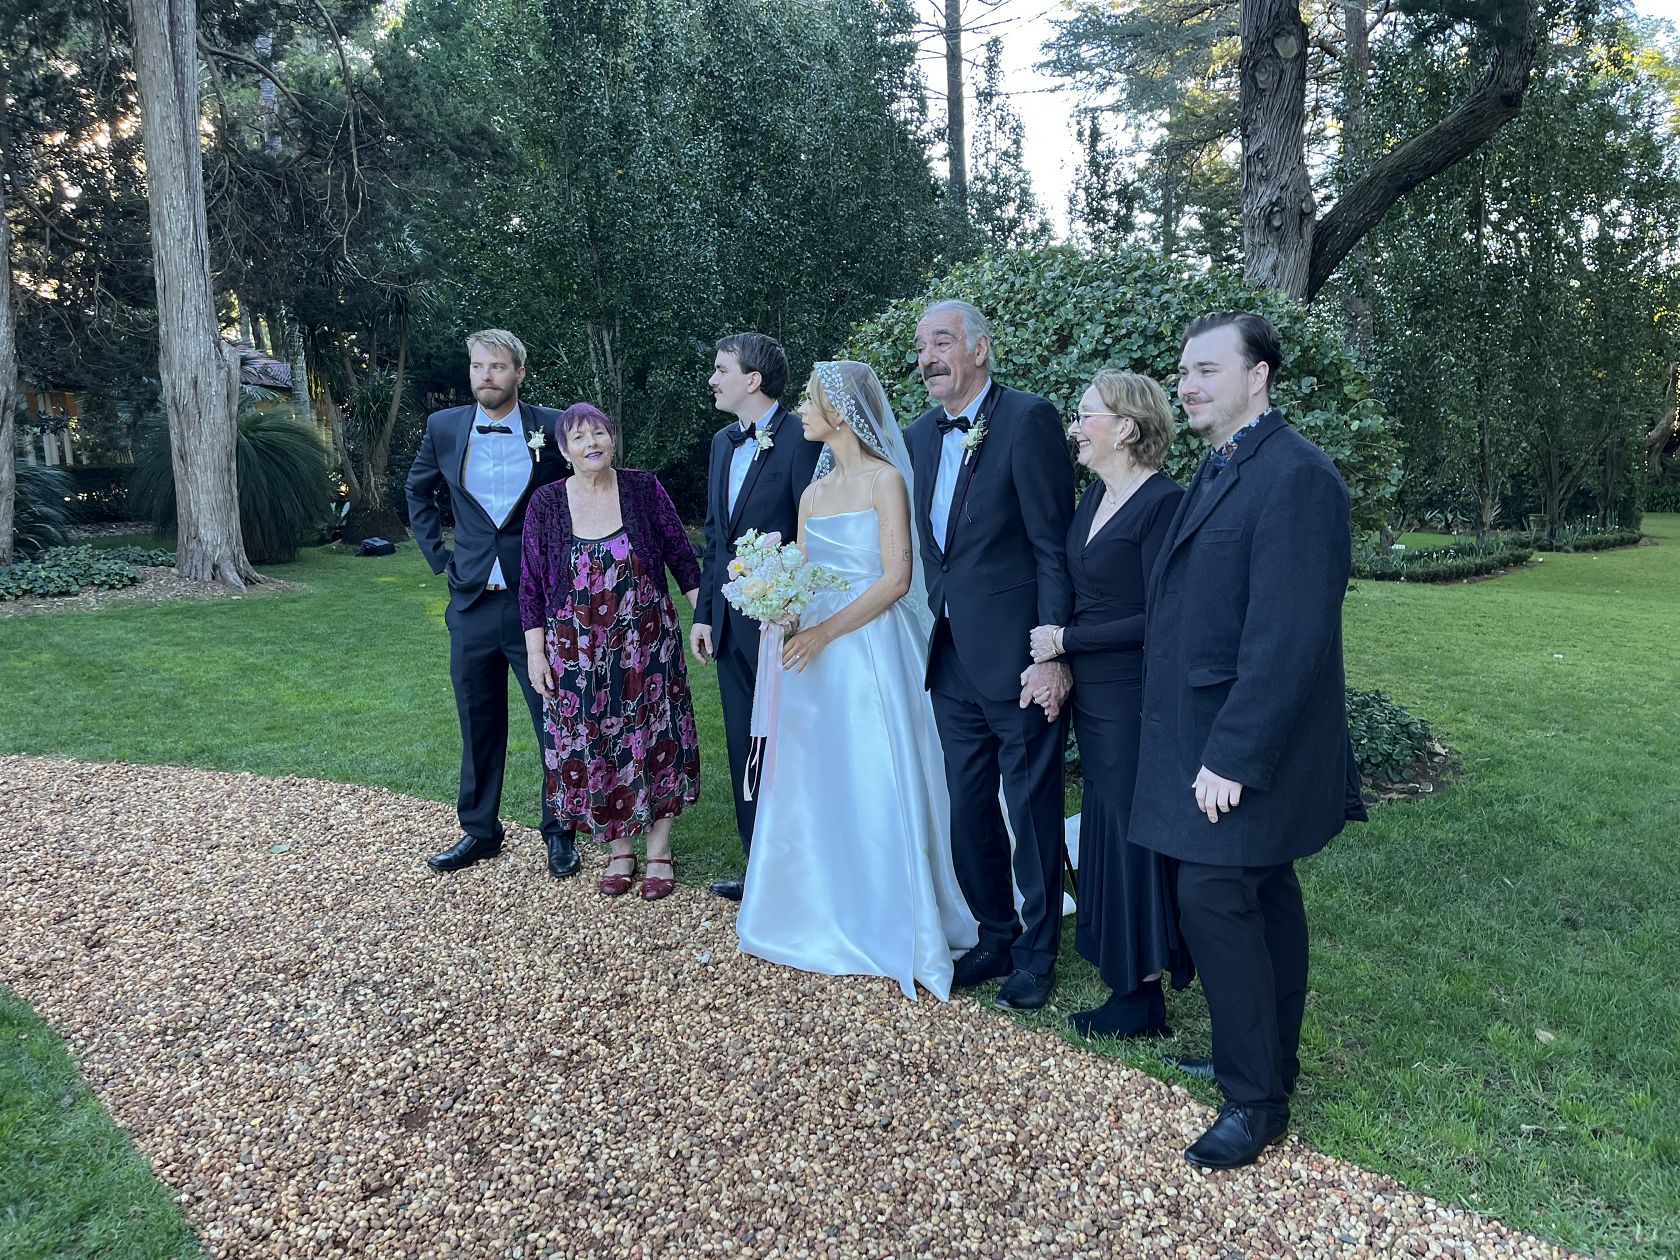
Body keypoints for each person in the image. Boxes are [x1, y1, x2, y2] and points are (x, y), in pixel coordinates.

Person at [1131, 311, 1362, 1170]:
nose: (1187, 385)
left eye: (1206, 370)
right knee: (1261, 896)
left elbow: (1289, 636)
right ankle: (1261, 1059)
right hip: (1204, 729)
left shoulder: (1298, 476)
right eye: (1183, 371)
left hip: (1245, 744)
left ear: (1257, 375)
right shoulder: (1225, 462)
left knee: (1215, 895)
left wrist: (1232, 754)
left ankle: (1255, 1101)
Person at [736, 360, 977, 999]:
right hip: (812, 655)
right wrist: (781, 609)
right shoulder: (813, 495)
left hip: (869, 644)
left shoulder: (885, 480)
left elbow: (896, 579)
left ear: (840, 412)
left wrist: (823, 633)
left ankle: (890, 911)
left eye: (810, 401)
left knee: (877, 768)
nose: (801, 411)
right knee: (813, 774)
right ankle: (812, 907)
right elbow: (803, 571)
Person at [905, 300, 1075, 1012]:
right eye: (921, 347)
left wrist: (1052, 651)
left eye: (941, 342)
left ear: (979, 348)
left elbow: (1052, 547)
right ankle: (994, 933)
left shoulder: (1027, 419)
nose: (927, 357)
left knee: (1030, 808)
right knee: (967, 804)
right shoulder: (917, 436)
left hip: (1019, 657)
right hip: (950, 657)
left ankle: (1038, 951)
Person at [1028, 369, 1191, 1039]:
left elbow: (1162, 616)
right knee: (1105, 817)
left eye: (1085, 414)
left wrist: (1067, 640)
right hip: (1093, 692)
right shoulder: (1095, 495)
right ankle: (1121, 963)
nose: (1075, 427)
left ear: (1125, 427)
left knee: (1129, 828)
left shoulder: (1163, 503)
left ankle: (1141, 994)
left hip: (1134, 693)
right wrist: (1058, 658)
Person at [405, 329, 576, 879]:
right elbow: (417, 490)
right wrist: (439, 557)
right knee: (477, 721)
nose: (487, 376)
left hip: (538, 606)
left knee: (553, 720)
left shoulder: (554, 426)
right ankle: (480, 832)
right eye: (479, 366)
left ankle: (560, 831)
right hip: (473, 601)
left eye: (498, 367)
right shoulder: (444, 427)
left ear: (519, 373)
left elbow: (585, 490)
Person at [518, 404, 702, 900]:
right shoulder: (546, 503)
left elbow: (681, 555)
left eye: (599, 433)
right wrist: (536, 653)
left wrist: (703, 617)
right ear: (564, 450)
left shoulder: (643, 488)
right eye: (579, 437)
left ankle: (660, 851)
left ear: (612, 439)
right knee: (594, 743)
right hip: (576, 652)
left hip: (648, 646)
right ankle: (620, 850)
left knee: (656, 736)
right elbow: (531, 584)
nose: (592, 443)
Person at [689, 333, 823, 901]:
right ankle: (759, 870)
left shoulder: (803, 438)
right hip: (728, 625)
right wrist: (704, 612)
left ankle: (805, 869)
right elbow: (716, 536)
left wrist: (794, 612)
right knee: (745, 744)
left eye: (722, 370)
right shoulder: (722, 442)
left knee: (791, 746)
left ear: (753, 379)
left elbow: (812, 536)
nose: (713, 380)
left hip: (783, 629)